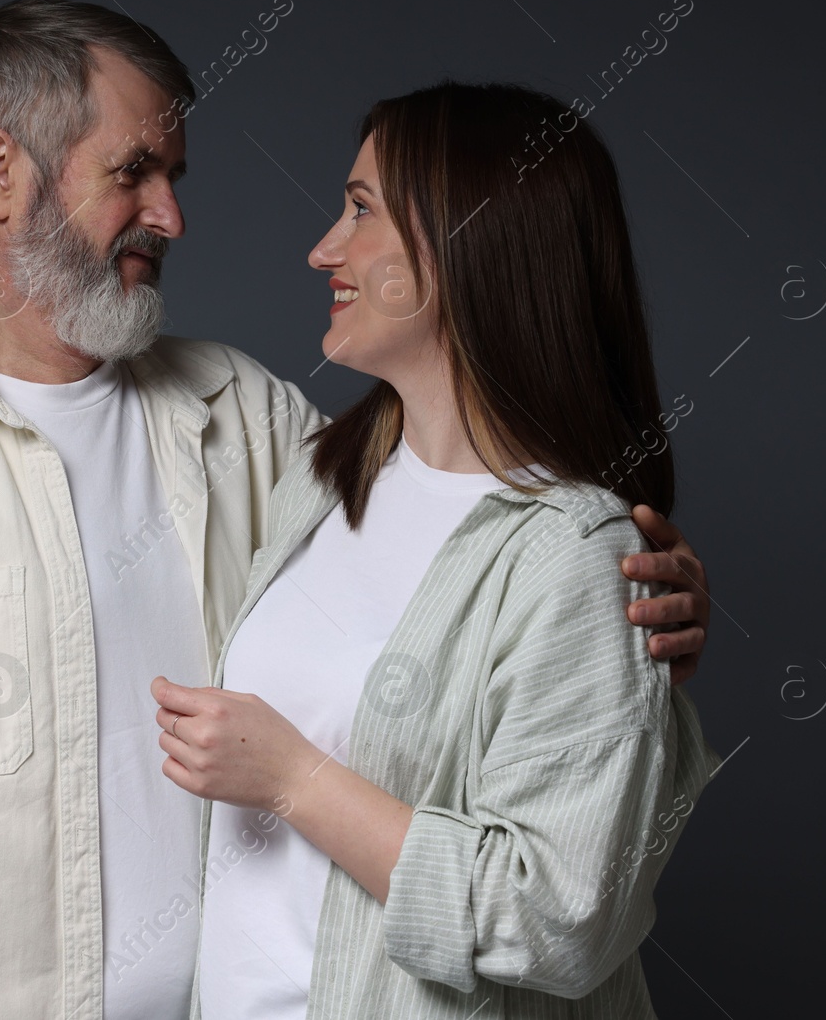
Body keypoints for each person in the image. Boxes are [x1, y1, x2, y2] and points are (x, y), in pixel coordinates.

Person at [0, 0, 715, 1020]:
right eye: (132, 171)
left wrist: (634, 619)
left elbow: (455, 581)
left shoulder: (257, 420)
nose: (171, 216)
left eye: (174, 176)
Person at [151, 81, 720, 1019]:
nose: (323, 248)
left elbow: (556, 920)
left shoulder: (577, 556)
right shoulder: (319, 482)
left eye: (361, 210)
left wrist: (294, 778)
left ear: (471, 244)